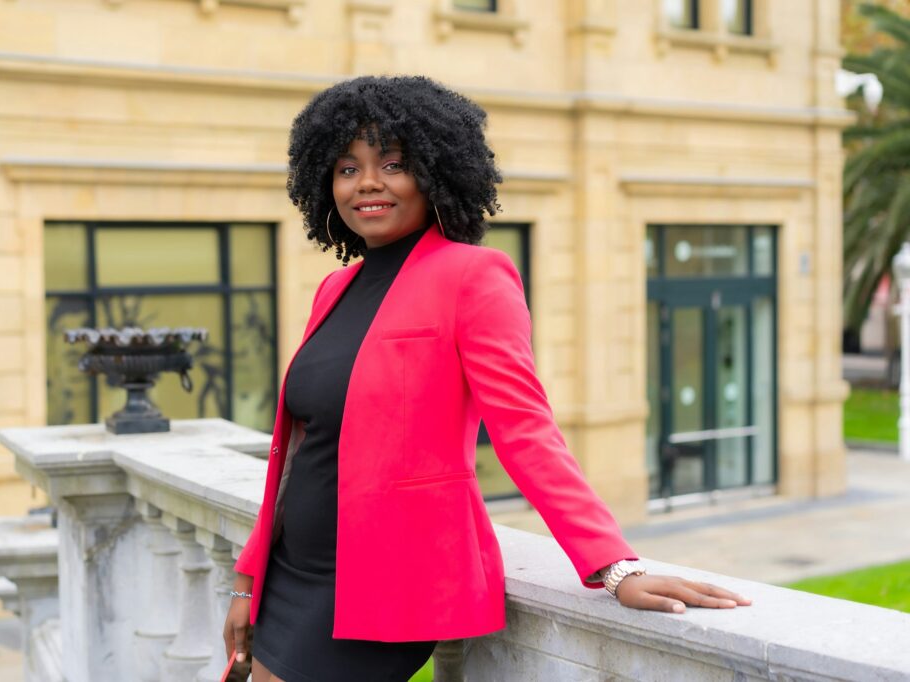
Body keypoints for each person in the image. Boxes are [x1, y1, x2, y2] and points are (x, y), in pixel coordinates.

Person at [223, 75, 751, 682]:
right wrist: (249, 578)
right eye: (347, 168)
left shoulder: (473, 277)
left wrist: (614, 566)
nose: (367, 182)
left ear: (435, 173)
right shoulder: (333, 289)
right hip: (292, 574)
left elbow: (526, 430)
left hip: (383, 584)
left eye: (391, 164)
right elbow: (296, 453)